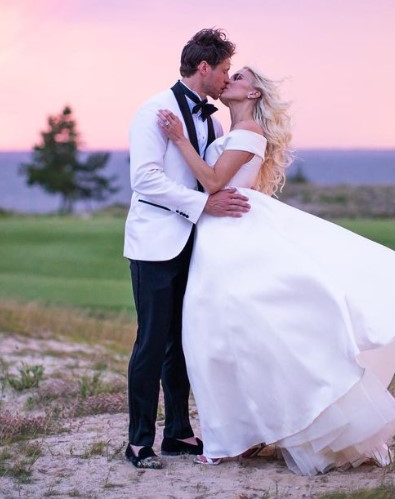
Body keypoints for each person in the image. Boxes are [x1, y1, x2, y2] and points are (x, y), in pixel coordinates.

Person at [157, 65, 395, 475]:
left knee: (221, 336)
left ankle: (230, 438)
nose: (231, 79)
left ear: (254, 94)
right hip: (219, 240)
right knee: (221, 339)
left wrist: (177, 139)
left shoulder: (249, 133)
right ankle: (241, 434)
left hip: (233, 240)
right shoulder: (227, 133)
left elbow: (213, 182)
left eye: (241, 76)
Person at [123, 28, 251, 470]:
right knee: (151, 342)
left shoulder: (212, 120)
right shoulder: (153, 110)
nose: (225, 79)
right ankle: (139, 441)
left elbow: (206, 172)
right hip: (154, 244)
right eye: (224, 71)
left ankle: (177, 432)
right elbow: (145, 179)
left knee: (182, 343)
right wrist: (204, 204)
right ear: (204, 68)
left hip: (194, 244)